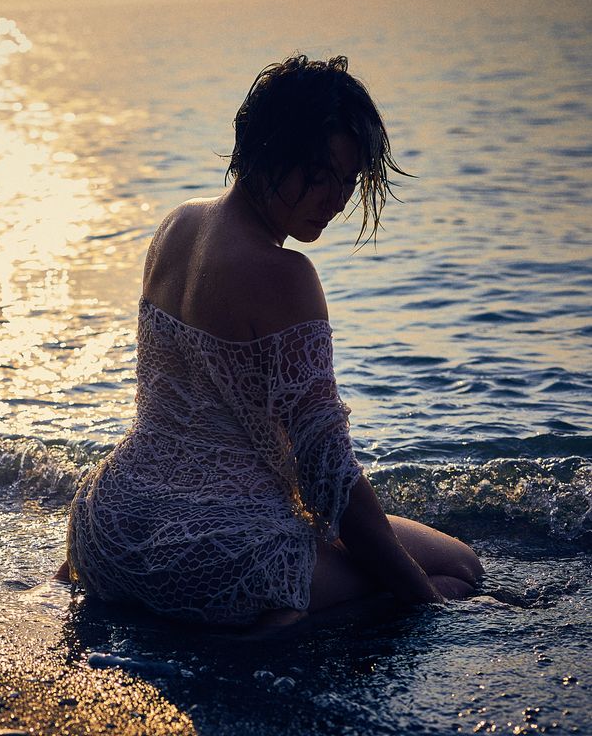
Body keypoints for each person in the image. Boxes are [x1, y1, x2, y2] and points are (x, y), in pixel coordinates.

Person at [59, 55, 482, 627]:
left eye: (348, 179)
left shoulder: (176, 224)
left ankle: (280, 612)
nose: (335, 198)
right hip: (214, 555)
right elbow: (327, 470)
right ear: (268, 150)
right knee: (458, 569)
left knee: (405, 565)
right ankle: (277, 625)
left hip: (109, 530)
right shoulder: (284, 274)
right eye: (319, 173)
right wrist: (424, 604)